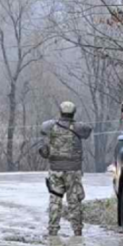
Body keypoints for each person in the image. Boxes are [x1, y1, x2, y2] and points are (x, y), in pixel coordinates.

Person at [39, 101, 92, 236]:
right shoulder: (79, 127)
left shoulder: (50, 126)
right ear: (73, 112)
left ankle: (52, 230)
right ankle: (77, 231)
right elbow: (88, 131)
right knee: (74, 201)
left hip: (55, 169)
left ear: (60, 112)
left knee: (55, 200)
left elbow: (44, 150)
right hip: (73, 170)